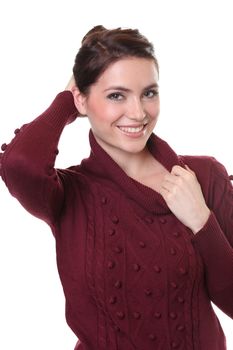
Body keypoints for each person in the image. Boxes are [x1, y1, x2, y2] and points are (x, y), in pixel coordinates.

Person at [0, 25, 232, 350]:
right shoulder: (69, 194)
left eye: (149, 93)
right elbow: (18, 163)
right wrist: (67, 102)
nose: (138, 113)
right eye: (116, 95)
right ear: (81, 99)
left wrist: (202, 222)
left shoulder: (204, 177)